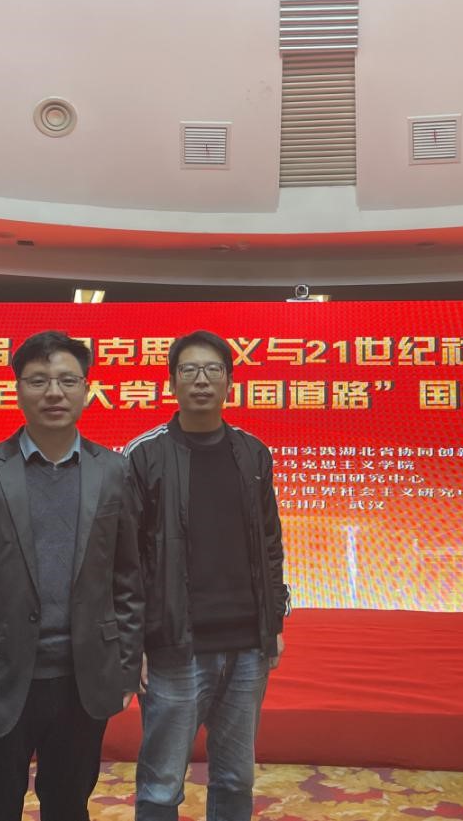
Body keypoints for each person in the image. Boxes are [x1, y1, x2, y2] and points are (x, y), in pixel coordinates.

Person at [0, 330, 143, 821]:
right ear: (17, 389)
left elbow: (128, 580)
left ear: (86, 389)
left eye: (67, 380)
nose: (54, 392)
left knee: (68, 805)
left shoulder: (113, 471)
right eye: (38, 380)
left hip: (81, 680)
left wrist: (125, 667)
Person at [124, 329, 289, 821]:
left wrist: (273, 622)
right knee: (161, 785)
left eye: (213, 370)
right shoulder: (143, 455)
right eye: (190, 370)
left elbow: (270, 543)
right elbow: (124, 559)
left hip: (247, 646)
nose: (201, 380)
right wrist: (133, 643)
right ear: (172, 383)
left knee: (236, 780)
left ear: (229, 383)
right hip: (174, 645)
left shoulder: (253, 453)